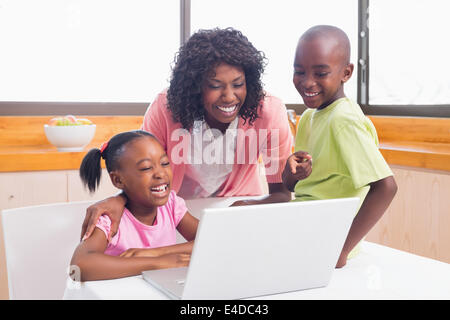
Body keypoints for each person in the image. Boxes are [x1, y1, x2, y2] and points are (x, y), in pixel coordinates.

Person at [81, 27, 294, 241]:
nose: (229, 97)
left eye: (238, 84)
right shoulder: (164, 110)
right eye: (215, 86)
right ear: (195, 86)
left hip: (239, 214)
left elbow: (282, 194)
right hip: (176, 216)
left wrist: (242, 205)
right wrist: (120, 199)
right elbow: (143, 173)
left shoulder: (269, 113)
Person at [282, 25, 398, 268]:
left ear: (346, 73)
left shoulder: (343, 120)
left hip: (325, 239)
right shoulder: (309, 117)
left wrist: (342, 248)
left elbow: (386, 187)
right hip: (301, 224)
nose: (307, 82)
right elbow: (296, 187)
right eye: (299, 71)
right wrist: (290, 174)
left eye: (321, 73)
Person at [70, 130, 199, 281]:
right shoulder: (110, 219)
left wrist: (157, 253)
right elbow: (78, 267)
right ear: (118, 180)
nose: (160, 173)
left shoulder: (170, 205)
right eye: (146, 168)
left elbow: (212, 240)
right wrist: (157, 263)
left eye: (164, 163)